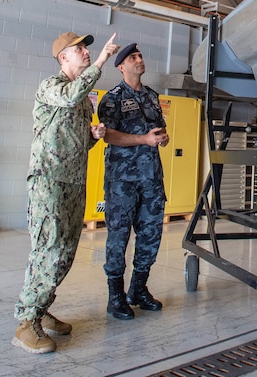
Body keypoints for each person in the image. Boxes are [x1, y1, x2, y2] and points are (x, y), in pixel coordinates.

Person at [12, 30, 119, 354]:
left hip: (73, 182)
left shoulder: (82, 99)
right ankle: (26, 322)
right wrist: (101, 61)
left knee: (66, 252)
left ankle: (41, 309)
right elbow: (72, 95)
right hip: (49, 181)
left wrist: (94, 135)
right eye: (80, 49)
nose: (86, 52)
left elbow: (77, 142)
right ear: (63, 58)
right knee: (49, 249)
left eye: (88, 49)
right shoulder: (52, 87)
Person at [97, 42, 170, 320]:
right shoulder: (112, 98)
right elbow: (109, 135)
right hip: (123, 180)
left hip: (151, 177)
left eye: (140, 55)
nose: (139, 60)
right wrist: (144, 140)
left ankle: (138, 289)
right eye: (133, 57)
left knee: (151, 234)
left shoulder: (152, 96)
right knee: (118, 236)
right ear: (121, 66)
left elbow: (159, 129)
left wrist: (162, 139)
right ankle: (115, 297)